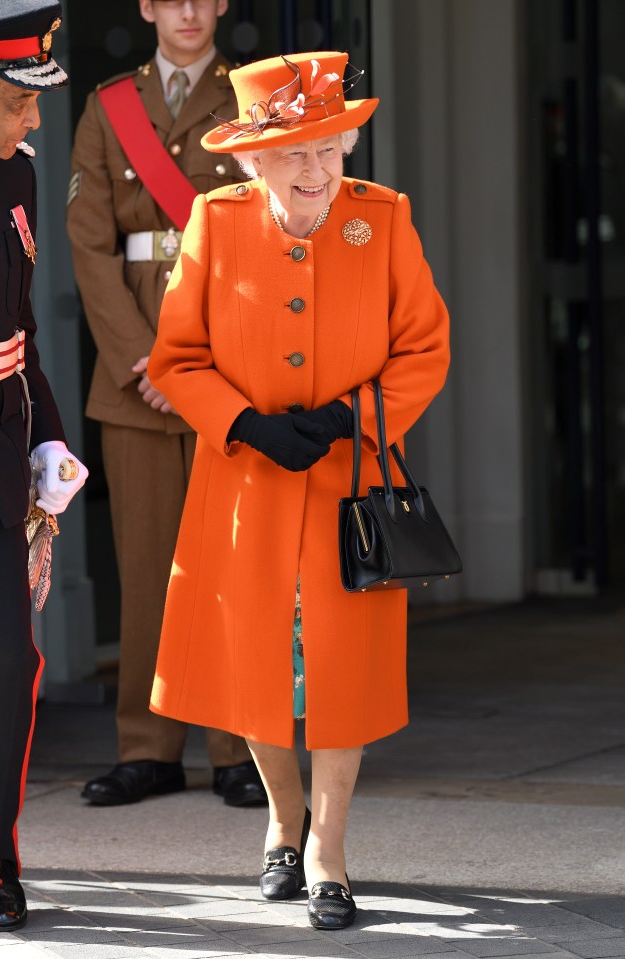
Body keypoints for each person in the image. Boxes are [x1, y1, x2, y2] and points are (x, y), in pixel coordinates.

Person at [147, 51, 451, 930]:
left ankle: (330, 849)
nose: (318, 170)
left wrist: (355, 418)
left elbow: (423, 348)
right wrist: (243, 423)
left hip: (350, 484)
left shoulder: (383, 219)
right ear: (251, 159)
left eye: (332, 149)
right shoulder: (215, 220)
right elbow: (179, 357)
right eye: (295, 154)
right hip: (245, 483)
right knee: (260, 666)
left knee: (340, 671)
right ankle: (284, 820)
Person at [66, 0, 266, 808]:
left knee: (230, 565)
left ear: (221, 4)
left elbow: (265, 229)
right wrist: (142, 357)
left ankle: (235, 750)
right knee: (148, 566)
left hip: (228, 357)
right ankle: (147, 748)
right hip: (136, 367)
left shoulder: (252, 96)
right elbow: (88, 241)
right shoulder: (108, 105)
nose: (187, 11)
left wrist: (196, 361)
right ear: (147, 6)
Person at [0, 0, 88, 931]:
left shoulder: (17, 177)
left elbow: (20, 328)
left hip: (1, 451)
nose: (34, 119)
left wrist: (48, 438)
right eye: (18, 100)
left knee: (7, 664)